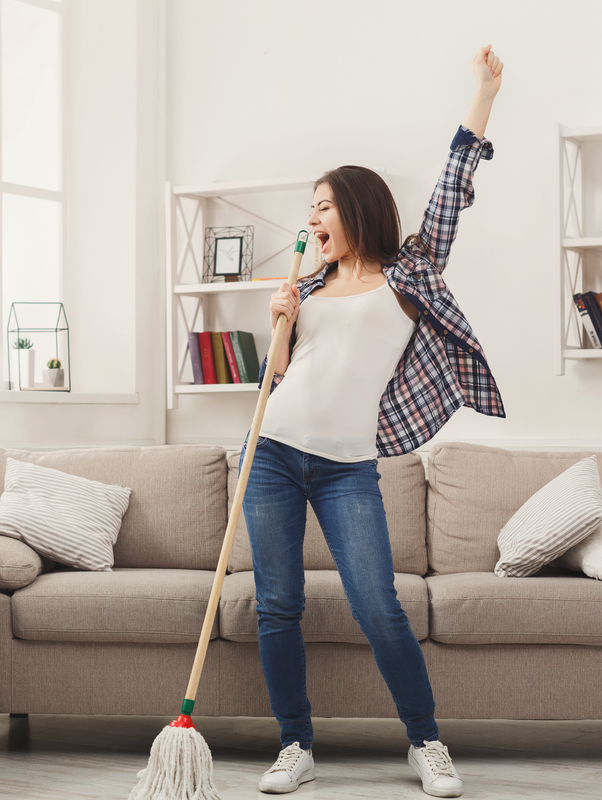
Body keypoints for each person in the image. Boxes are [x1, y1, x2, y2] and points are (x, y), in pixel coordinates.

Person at [241, 45, 505, 797]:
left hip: (347, 465)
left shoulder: (409, 273)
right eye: (310, 208)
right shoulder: (306, 285)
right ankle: (295, 744)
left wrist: (483, 91)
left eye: (323, 205)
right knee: (277, 605)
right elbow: (278, 381)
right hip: (270, 452)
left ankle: (426, 741)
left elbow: (455, 186)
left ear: (355, 210)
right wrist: (280, 321)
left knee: (377, 605)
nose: (313, 217)